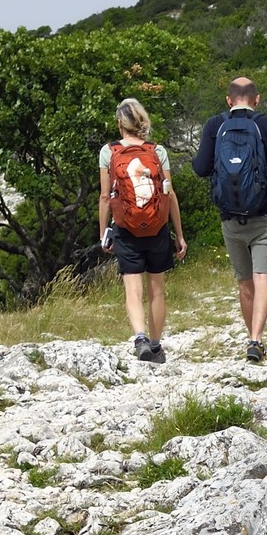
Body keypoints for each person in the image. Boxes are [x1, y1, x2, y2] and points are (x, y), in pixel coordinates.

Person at [190, 77, 267, 363]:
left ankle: (251, 336)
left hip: (230, 218)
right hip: (264, 214)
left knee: (245, 282)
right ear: (257, 99)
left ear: (228, 100)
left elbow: (200, 168)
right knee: (264, 277)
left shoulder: (215, 125)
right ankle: (256, 339)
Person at [99, 98, 186, 364]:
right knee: (157, 289)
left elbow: (104, 197)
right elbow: (169, 194)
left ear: (119, 123)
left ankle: (140, 338)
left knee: (133, 290)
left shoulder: (109, 152)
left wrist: (104, 232)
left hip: (126, 229)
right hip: (157, 229)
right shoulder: (157, 151)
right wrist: (179, 234)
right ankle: (156, 345)